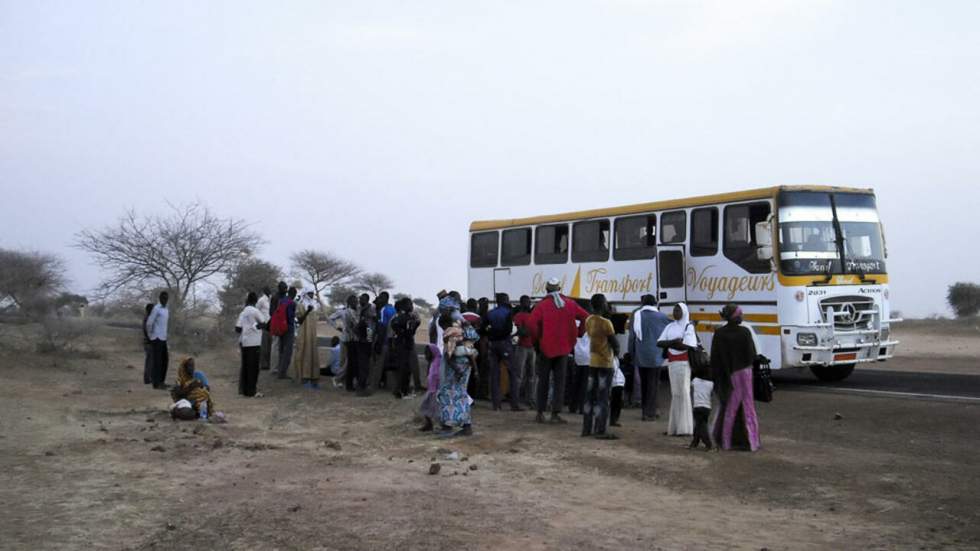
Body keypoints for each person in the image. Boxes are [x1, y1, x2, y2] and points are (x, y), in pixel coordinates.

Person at [528, 277, 589, 424]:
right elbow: (586, 317)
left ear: (547, 289)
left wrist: (537, 341)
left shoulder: (542, 305)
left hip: (545, 348)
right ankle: (555, 414)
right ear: (559, 289)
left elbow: (531, 324)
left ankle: (540, 413)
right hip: (564, 348)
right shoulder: (570, 304)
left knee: (543, 380)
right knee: (559, 381)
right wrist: (579, 333)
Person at [711, 304, 761, 451]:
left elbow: (715, 358)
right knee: (748, 407)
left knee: (729, 409)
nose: (742, 316)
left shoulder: (719, 333)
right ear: (735, 316)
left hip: (727, 375)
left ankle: (725, 441)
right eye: (740, 314)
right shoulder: (744, 332)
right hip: (744, 374)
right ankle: (752, 440)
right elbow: (751, 355)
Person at [582, 294, 619, 439]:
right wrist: (616, 352)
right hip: (605, 363)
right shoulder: (606, 323)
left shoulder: (589, 320)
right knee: (602, 397)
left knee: (590, 396)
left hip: (592, 362)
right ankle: (600, 429)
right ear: (602, 305)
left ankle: (586, 428)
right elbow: (614, 343)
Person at [629, 294, 672, 421]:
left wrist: (631, 353)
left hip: (640, 355)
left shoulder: (636, 315)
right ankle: (651, 412)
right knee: (653, 384)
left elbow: (632, 337)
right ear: (655, 303)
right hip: (656, 356)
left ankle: (644, 411)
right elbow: (674, 326)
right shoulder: (662, 316)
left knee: (644, 384)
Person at [656, 303, 696, 436]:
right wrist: (674, 342)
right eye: (674, 309)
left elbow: (688, 346)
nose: (675, 312)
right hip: (672, 363)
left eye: (678, 309)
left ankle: (685, 428)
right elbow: (659, 342)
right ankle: (675, 427)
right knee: (675, 394)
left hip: (684, 364)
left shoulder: (688, 327)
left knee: (684, 392)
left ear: (684, 311)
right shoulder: (670, 326)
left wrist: (671, 344)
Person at [437, 315, 476, 437]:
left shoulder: (450, 332)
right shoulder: (463, 332)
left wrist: (456, 369)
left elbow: (449, 355)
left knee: (446, 395)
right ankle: (466, 426)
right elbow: (470, 353)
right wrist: (474, 369)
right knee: (462, 395)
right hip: (465, 367)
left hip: (455, 369)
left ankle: (447, 426)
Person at [486, 293, 522, 411]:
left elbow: (482, 329)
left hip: (493, 345)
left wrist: (492, 335)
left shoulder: (490, 313)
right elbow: (508, 330)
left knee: (494, 375)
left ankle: (496, 405)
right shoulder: (508, 312)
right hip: (505, 344)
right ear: (506, 300)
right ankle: (514, 404)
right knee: (513, 373)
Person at [235, 291, 268, 397]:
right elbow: (264, 323)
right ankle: (252, 391)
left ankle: (244, 391)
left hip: (244, 342)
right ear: (255, 301)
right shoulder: (255, 311)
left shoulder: (243, 312)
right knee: (254, 368)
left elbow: (238, 328)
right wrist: (255, 327)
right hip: (254, 342)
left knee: (245, 367)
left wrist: (246, 329)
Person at [390, 298, 422, 399]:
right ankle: (403, 392)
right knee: (405, 369)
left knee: (401, 368)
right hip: (405, 345)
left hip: (399, 344)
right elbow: (410, 333)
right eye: (410, 304)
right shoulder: (407, 318)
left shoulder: (396, 317)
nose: (412, 306)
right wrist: (416, 324)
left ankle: (399, 390)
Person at [512, 295, 537, 409]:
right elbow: (521, 331)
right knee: (519, 375)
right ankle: (515, 402)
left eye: (529, 302)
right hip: (522, 347)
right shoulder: (518, 316)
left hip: (531, 347)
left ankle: (530, 400)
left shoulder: (531, 315)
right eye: (526, 302)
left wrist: (528, 330)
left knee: (531, 375)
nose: (528, 304)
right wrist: (529, 330)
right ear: (522, 303)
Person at [293, 289, 321, 389]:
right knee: (304, 352)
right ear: (305, 294)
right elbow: (299, 320)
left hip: (312, 334)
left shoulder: (314, 305)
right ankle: (304, 377)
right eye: (310, 293)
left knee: (312, 353)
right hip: (304, 333)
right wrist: (307, 311)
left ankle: (313, 377)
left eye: (312, 293)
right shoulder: (301, 305)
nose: (312, 295)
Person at [145, 291, 170, 389]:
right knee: (157, 362)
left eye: (166, 298)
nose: (165, 300)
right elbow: (149, 323)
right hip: (156, 338)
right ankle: (156, 383)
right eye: (163, 298)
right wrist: (150, 336)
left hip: (163, 338)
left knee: (165, 360)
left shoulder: (166, 310)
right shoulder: (156, 309)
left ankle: (162, 381)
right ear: (160, 298)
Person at [418, 343, 446, 432]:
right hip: (431, 390)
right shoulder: (433, 362)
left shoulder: (439, 362)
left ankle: (444, 426)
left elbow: (439, 376)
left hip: (437, 390)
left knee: (437, 411)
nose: (426, 355)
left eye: (427, 353)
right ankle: (429, 424)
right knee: (425, 407)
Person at [353, 293, 377, 396]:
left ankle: (361, 386)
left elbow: (370, 328)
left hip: (365, 340)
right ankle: (361, 387)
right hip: (362, 340)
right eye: (360, 299)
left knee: (364, 365)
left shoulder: (369, 310)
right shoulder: (361, 310)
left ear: (367, 300)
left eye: (362, 299)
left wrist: (368, 340)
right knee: (362, 365)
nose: (360, 300)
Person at [275, 287, 298, 380]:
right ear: (294, 294)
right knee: (288, 351)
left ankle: (279, 370)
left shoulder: (281, 301)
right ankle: (283, 373)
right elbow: (292, 316)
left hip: (280, 327)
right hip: (289, 327)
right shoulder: (292, 303)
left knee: (281, 350)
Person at [690, 364, 714, 450]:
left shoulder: (695, 381)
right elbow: (711, 395)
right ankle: (694, 442)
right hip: (707, 407)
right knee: (700, 425)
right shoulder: (711, 384)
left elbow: (691, 388)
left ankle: (708, 444)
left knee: (701, 426)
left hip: (697, 406)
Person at [341, 295, 361, 391]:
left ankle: (351, 383)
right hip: (351, 339)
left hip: (353, 339)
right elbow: (355, 325)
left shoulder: (353, 311)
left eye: (356, 301)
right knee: (352, 363)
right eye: (354, 301)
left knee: (353, 362)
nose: (356, 303)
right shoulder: (349, 312)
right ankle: (350, 384)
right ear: (350, 302)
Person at [257, 287, 273, 371]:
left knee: (270, 345)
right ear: (264, 291)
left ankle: (269, 363)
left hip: (271, 325)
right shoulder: (261, 300)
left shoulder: (271, 300)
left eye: (269, 290)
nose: (269, 291)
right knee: (264, 346)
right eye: (267, 290)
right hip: (264, 325)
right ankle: (263, 364)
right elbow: (257, 311)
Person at [141, 303, 154, 385]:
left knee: (150, 361)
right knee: (150, 362)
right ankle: (147, 379)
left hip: (148, 342)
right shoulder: (148, 319)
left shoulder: (147, 318)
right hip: (149, 343)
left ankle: (149, 378)